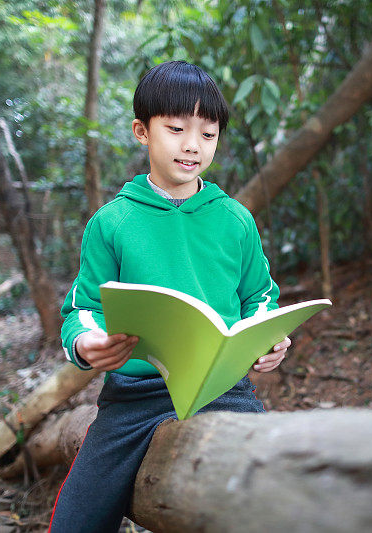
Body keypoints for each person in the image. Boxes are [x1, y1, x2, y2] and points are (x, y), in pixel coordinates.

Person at [49, 60, 291, 532]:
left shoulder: (235, 220)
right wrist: (88, 344)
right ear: (142, 131)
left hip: (223, 388)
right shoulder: (112, 222)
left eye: (207, 133)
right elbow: (81, 309)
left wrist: (269, 339)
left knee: (272, 492)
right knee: (76, 519)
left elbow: (260, 298)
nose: (191, 145)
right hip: (135, 396)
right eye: (176, 128)